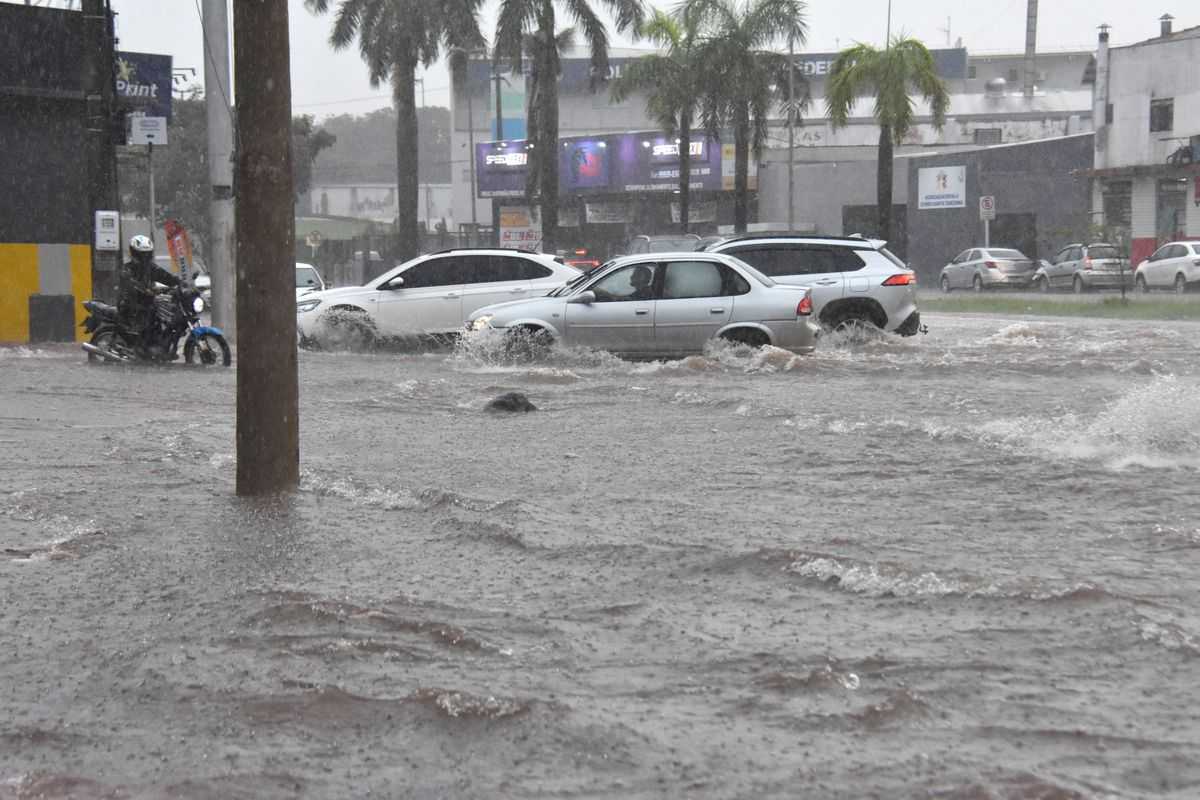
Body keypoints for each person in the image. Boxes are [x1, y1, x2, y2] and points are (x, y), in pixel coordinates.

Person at [118, 235, 180, 353]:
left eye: (147, 254)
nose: (145, 257)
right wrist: (149, 292)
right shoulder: (127, 269)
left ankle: (158, 344)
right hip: (129, 305)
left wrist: (179, 283)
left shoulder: (150, 268)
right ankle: (144, 349)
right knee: (150, 315)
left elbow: (165, 276)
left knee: (164, 312)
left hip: (146, 302)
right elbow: (133, 286)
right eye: (142, 254)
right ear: (134, 253)